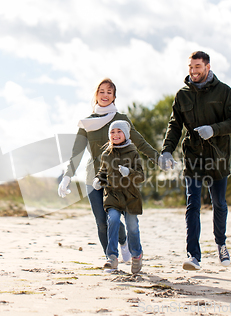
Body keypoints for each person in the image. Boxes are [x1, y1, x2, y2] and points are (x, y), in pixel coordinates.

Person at [58, 78, 159, 263]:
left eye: (109, 92)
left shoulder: (121, 120)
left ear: (114, 96)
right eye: (102, 91)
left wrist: (157, 157)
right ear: (96, 94)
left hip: (118, 178)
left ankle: (123, 245)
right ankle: (111, 257)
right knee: (101, 221)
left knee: (113, 216)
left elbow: (139, 142)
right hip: (93, 177)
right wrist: (67, 176)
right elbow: (76, 152)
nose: (105, 95)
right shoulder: (86, 123)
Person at [159, 51, 231, 271]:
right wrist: (166, 151)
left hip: (218, 157)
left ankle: (221, 244)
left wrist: (213, 130)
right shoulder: (182, 95)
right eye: (190, 67)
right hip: (193, 157)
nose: (193, 71)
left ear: (207, 66)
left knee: (219, 204)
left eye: (197, 67)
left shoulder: (224, 91)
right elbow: (174, 125)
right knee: (192, 204)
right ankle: (193, 255)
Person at [93, 120, 144, 273]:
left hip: (130, 197)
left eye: (119, 131)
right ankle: (112, 257)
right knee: (113, 220)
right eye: (112, 132)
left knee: (132, 227)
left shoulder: (133, 152)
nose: (115, 135)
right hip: (113, 196)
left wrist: (129, 173)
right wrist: (98, 180)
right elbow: (103, 172)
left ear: (126, 134)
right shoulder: (106, 154)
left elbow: (141, 176)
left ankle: (136, 255)